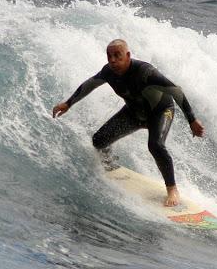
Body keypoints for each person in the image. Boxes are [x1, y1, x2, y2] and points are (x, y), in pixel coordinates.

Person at [52, 39, 204, 207]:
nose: (113, 60)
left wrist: (192, 119)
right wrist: (68, 103)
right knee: (99, 140)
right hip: (134, 113)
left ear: (128, 56)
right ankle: (110, 165)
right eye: (109, 56)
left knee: (155, 145)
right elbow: (90, 84)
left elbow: (176, 90)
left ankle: (172, 189)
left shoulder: (145, 72)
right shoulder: (108, 72)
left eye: (117, 56)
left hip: (160, 112)